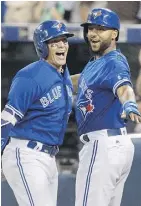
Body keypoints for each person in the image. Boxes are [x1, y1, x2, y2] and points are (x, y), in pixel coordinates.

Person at [71, 8, 141, 206]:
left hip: (102, 146)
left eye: (100, 29)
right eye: (90, 28)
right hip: (114, 146)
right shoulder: (96, 63)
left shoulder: (114, 62)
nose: (93, 33)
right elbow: (82, 81)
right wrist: (56, 84)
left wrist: (128, 103)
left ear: (114, 34)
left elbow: (124, 87)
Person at [1, 20, 74, 206]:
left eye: (64, 40)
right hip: (26, 154)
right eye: (54, 41)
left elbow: (71, 85)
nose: (61, 45)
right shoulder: (29, 76)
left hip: (49, 158)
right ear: (42, 46)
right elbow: (7, 118)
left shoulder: (62, 74)